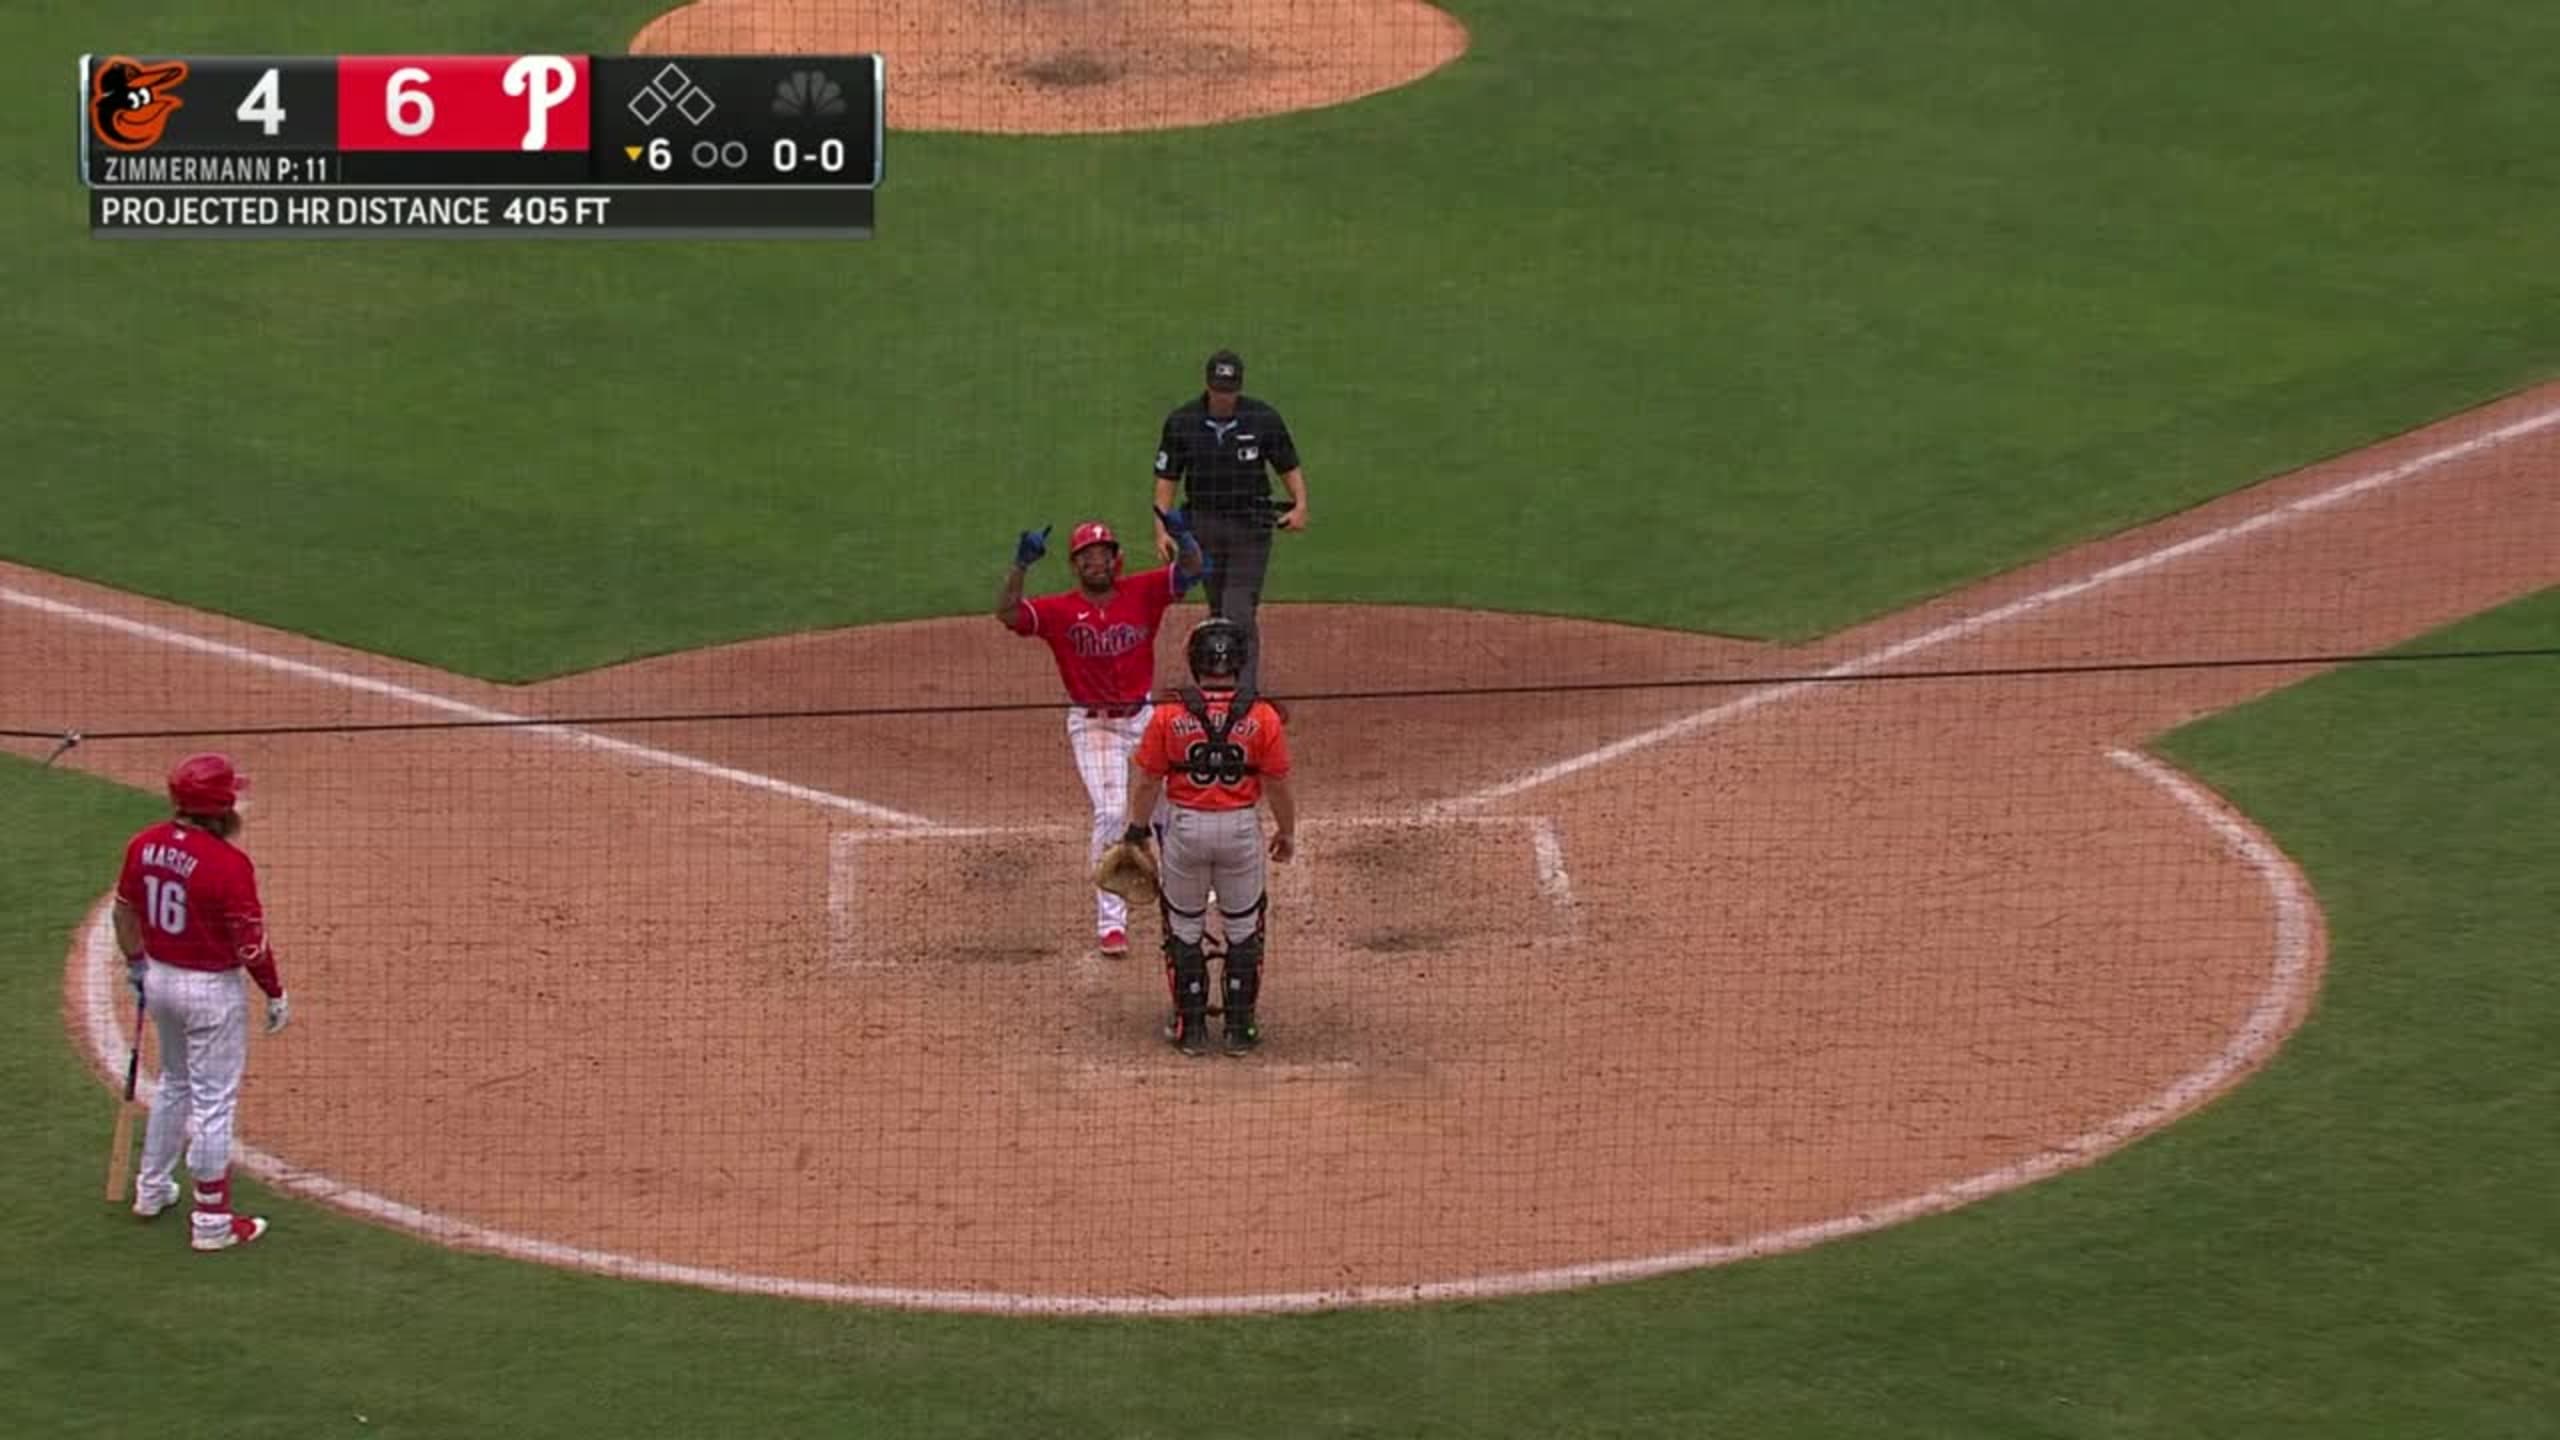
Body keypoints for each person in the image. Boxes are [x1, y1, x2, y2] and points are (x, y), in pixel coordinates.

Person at [999, 512, 1205, 955]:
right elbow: (1009, 613)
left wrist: (1185, 537)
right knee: (1112, 812)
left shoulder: (1144, 591)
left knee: (1172, 806)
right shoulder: (1059, 610)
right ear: (1075, 566)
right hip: (1094, 726)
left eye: (1102, 554)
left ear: (1117, 559)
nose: (1096, 562)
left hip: (1142, 718)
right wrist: (1021, 566)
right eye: (1086, 557)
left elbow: (1192, 570)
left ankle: (1182, 900)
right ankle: (1111, 923)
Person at [113, 752, 289, 1252]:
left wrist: (136, 966)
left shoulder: (143, 844)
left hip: (160, 979)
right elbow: (250, 946)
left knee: (174, 1082)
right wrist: (274, 991)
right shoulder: (228, 865)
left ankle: (151, 1189)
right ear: (220, 807)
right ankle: (212, 1223)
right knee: (214, 1102)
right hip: (210, 992)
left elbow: (124, 912)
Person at [1120, 617, 1296, 1056]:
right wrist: (1287, 832)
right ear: (1240, 661)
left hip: (1186, 829)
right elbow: (1276, 783)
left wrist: (1136, 831)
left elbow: (1148, 782)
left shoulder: (1167, 715)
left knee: (1183, 926)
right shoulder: (1264, 716)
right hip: (1240, 830)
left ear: (1194, 661)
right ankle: (1239, 1029)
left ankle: (1191, 1027)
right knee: (1243, 928)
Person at [1150, 349, 1308, 695]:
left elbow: (1287, 464)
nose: (1225, 397)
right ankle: (1217, 680)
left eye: (1230, 390)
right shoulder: (1183, 422)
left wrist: (1300, 505)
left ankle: (1244, 693)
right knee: (1218, 606)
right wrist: (1161, 530)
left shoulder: (1261, 418)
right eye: (1219, 390)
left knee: (1238, 607)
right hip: (1202, 526)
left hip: (1250, 527)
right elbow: (1167, 478)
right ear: (1208, 385)